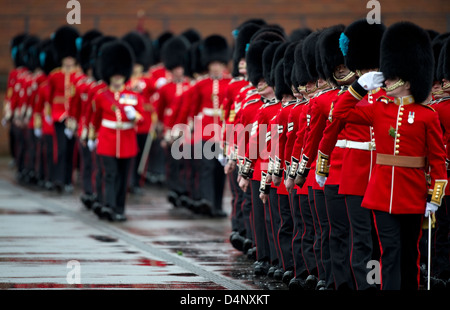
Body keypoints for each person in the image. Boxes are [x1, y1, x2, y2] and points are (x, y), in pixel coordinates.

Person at [332, 21, 448, 290]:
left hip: (413, 192)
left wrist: (435, 196)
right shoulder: (379, 110)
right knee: (390, 251)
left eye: (393, 77)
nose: (386, 81)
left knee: (410, 252)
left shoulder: (427, 116)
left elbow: (437, 161)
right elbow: (338, 115)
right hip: (382, 192)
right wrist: (357, 88)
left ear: (407, 81)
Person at [88, 39, 144, 222]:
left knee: (123, 177)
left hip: (127, 140)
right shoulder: (101, 96)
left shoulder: (133, 96)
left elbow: (142, 118)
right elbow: (95, 119)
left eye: (121, 74)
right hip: (107, 139)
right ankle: (109, 206)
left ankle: (119, 208)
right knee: (110, 175)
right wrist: (91, 136)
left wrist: (133, 114)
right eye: (115, 75)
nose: (118, 78)